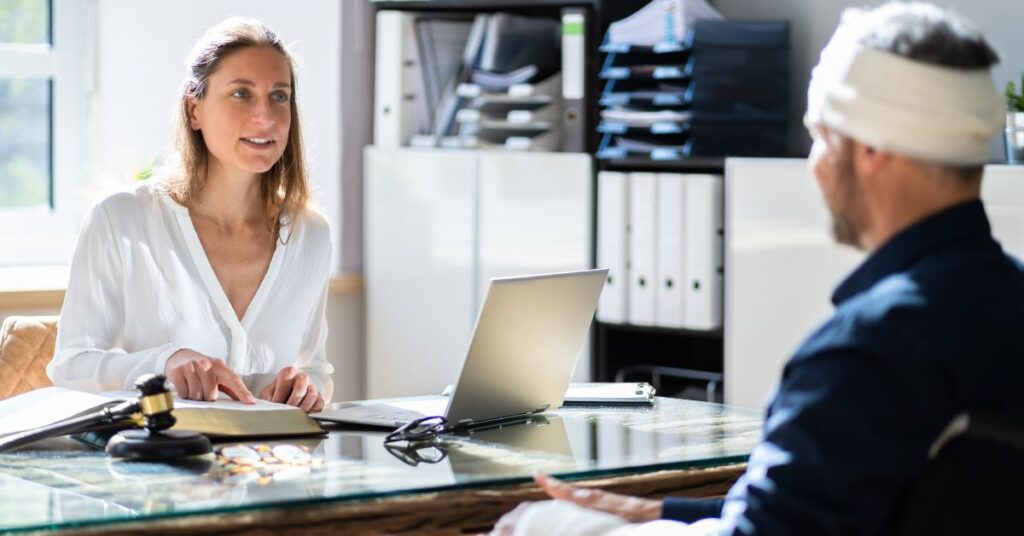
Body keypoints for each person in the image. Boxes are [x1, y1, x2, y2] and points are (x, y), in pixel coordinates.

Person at [491, 3, 1024, 534]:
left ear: (869, 150)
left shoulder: (864, 354)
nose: (814, 167)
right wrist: (656, 512)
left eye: (820, 136)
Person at [48, 17, 333, 413]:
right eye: (241, 94)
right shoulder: (120, 220)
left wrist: (309, 386)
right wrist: (164, 362)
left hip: (271, 465)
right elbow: (70, 366)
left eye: (279, 96)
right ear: (193, 109)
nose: (265, 116)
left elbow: (316, 367)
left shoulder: (310, 235)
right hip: (156, 463)